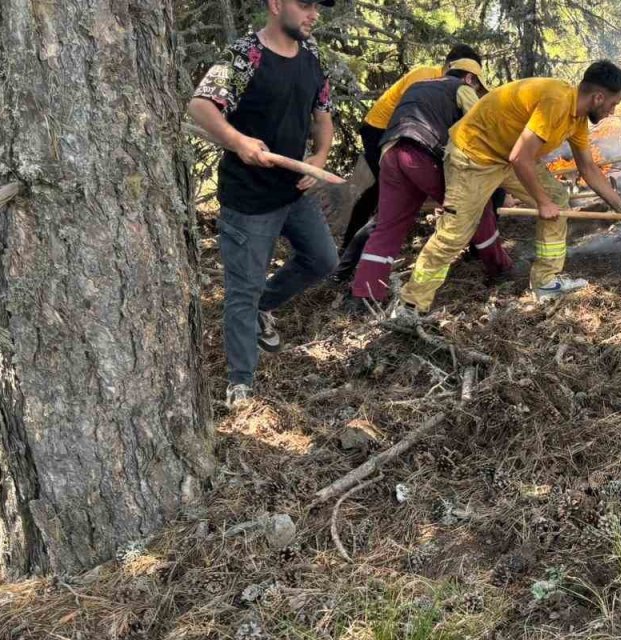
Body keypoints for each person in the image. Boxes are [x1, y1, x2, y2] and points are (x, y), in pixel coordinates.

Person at [391, 60, 621, 324]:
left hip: (506, 156)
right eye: (612, 104)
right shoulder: (556, 101)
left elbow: (588, 168)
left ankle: (546, 282)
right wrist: (541, 202)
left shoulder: (576, 119)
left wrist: (620, 207)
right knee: (455, 233)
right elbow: (521, 157)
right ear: (598, 97)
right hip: (473, 156)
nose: (612, 111)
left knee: (558, 197)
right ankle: (410, 304)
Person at [188, 0, 338, 407]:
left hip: (294, 192)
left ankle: (263, 306)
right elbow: (201, 104)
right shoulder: (244, 55)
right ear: (275, 4)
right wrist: (238, 142)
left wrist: (319, 159)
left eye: (318, 8)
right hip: (249, 199)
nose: (314, 14)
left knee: (323, 260)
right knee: (242, 289)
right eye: (304, 4)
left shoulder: (311, 58)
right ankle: (241, 383)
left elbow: (323, 116)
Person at [347, 59, 513, 307]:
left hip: (391, 153)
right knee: (476, 207)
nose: (477, 92)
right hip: (424, 153)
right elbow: (482, 124)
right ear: (470, 78)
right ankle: (500, 268)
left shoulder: (421, 85)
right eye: (478, 87)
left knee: (388, 227)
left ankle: (365, 294)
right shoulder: (462, 88)